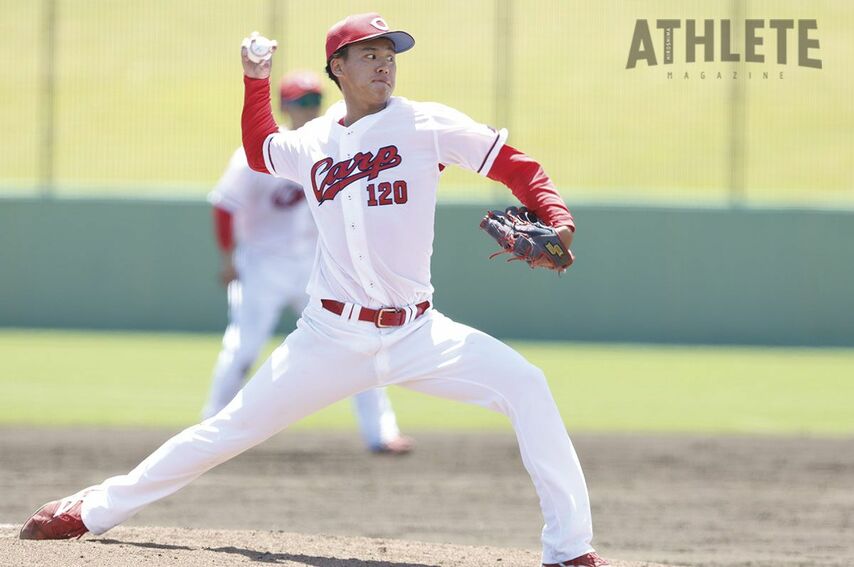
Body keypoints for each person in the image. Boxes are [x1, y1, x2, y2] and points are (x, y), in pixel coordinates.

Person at [20, 13, 608, 567]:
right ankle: (89, 510)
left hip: (419, 332)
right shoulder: (314, 142)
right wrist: (256, 81)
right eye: (369, 54)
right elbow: (261, 150)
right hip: (330, 335)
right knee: (226, 430)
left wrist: (556, 219)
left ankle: (570, 549)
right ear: (339, 69)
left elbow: (515, 165)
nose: (384, 64)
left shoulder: (427, 124)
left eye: (390, 55)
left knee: (528, 386)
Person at [203, 70, 413, 454]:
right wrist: (228, 257)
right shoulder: (259, 154)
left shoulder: (334, 147)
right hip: (262, 264)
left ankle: (381, 433)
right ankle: (208, 430)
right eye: (300, 101)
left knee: (359, 341)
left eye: (313, 100)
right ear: (284, 106)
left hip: (314, 265)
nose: (308, 108)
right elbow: (224, 205)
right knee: (243, 349)